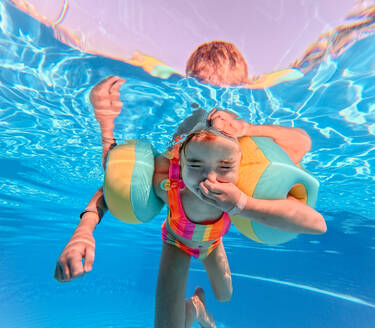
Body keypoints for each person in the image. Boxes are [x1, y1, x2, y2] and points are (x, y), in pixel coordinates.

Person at [54, 41, 327, 328]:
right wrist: (83, 232)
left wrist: (242, 196)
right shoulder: (173, 170)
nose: (209, 177)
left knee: (225, 295)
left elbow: (306, 163)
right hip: (176, 241)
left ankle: (199, 307)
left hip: (213, 243)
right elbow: (118, 179)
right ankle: (194, 311)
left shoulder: (241, 156)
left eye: (223, 167)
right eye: (195, 165)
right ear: (182, 161)